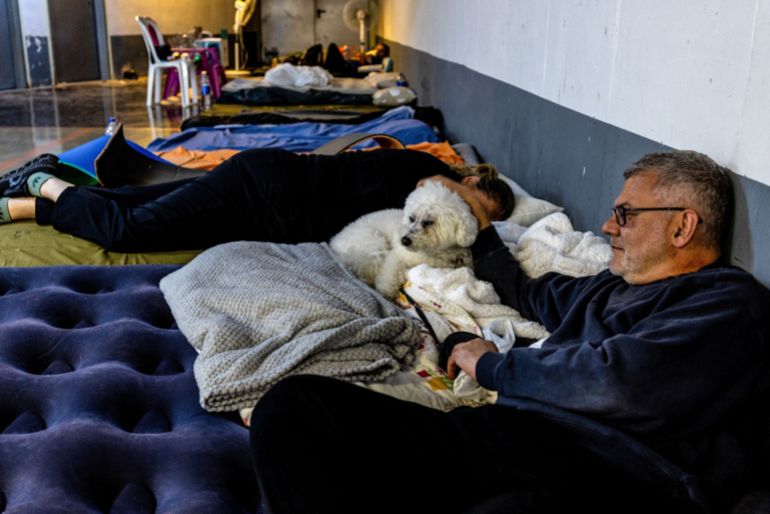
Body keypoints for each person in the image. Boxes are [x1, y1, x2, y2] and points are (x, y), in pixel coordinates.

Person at [248, 150, 770, 513]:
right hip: (512, 437)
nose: (609, 226)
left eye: (626, 214)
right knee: (295, 406)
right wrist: (478, 230)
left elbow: (622, 384)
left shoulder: (726, 304)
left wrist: (490, 363)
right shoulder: (607, 288)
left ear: (683, 226)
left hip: (611, 468)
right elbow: (528, 292)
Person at [0, 146, 514, 252]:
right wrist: (477, 220)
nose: (470, 218)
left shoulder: (427, 177)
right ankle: (46, 179)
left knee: (135, 204)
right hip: (263, 195)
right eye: (476, 207)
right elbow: (444, 194)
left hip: (266, 188)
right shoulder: (431, 178)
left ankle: (27, 204)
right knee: (131, 231)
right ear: (471, 183)